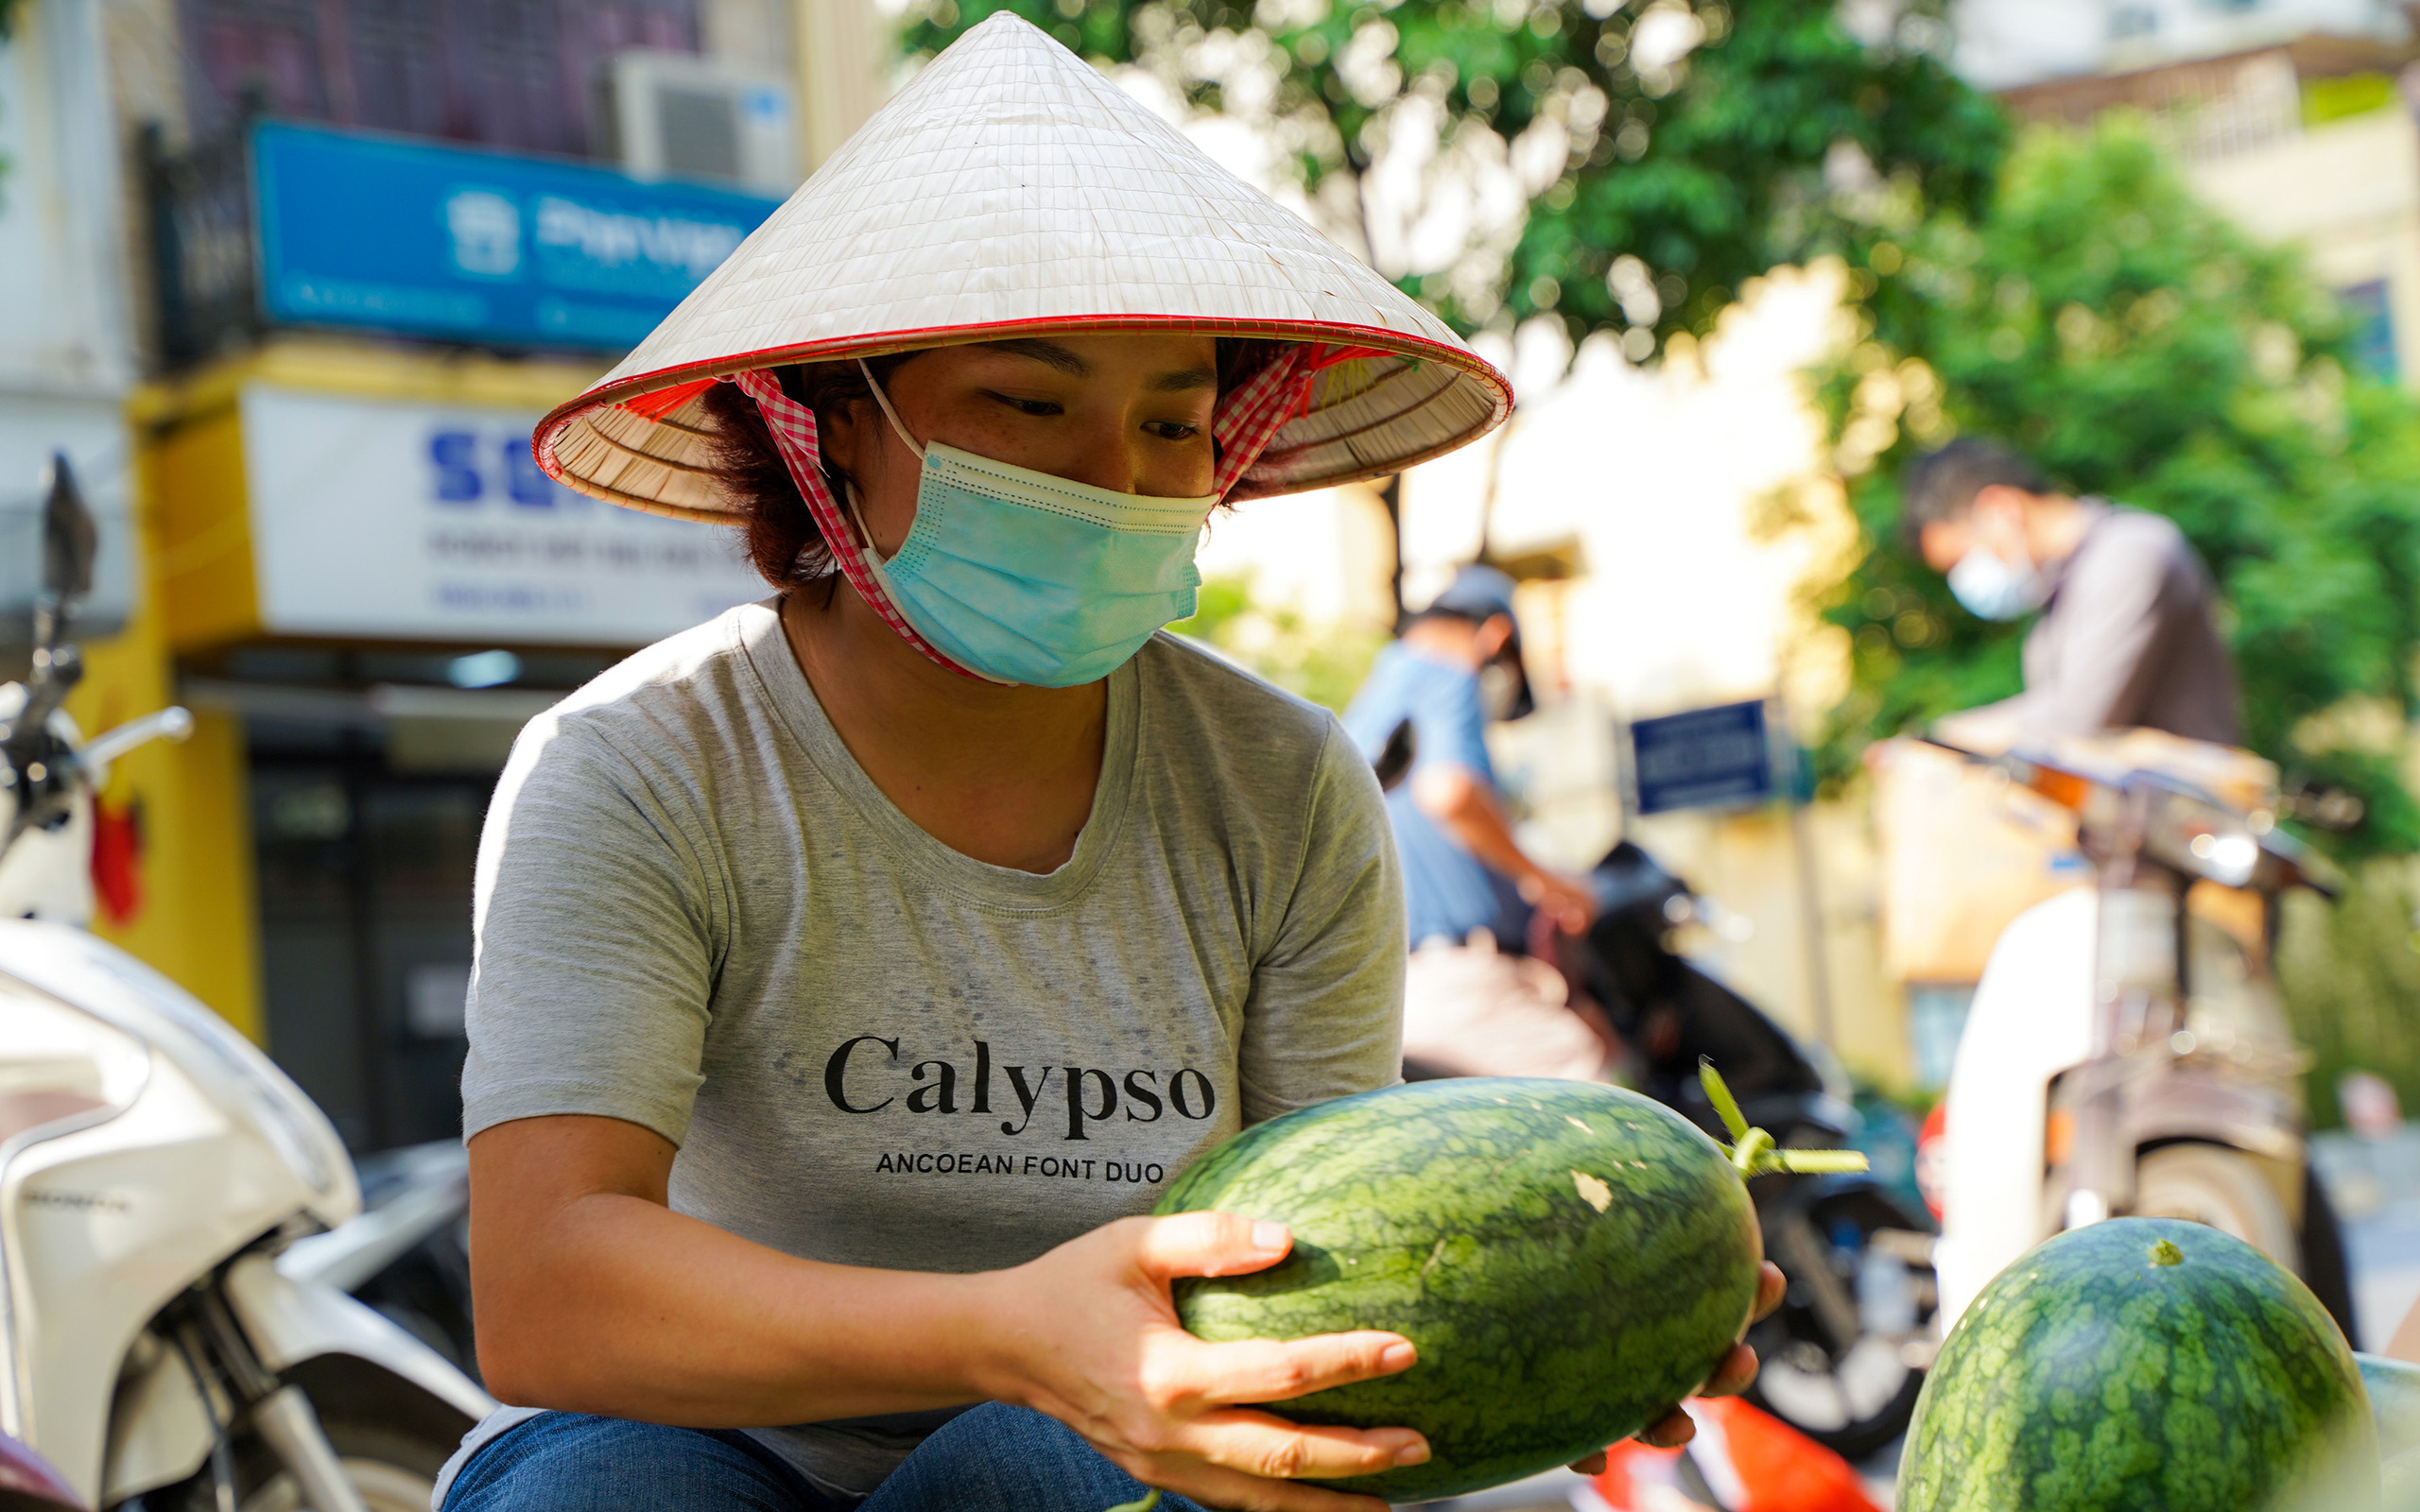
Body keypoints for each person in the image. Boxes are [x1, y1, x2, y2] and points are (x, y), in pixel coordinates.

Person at [442, 16, 1781, 1512]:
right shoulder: (636, 768)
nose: (1118, 478)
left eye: (1173, 421)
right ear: (823, 420)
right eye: (1028, 403)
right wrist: (1010, 1334)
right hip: (701, 1442)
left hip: (1118, 1439)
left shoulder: (1282, 786)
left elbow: (1346, 1244)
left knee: (1083, 1469)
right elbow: (551, 1291)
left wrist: (1546, 1323)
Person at [1341, 566, 1610, 1082]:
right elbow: (1450, 791)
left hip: (1391, 995)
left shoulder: (1376, 693)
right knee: (1615, 1130)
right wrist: (1546, 879)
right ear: (1497, 635)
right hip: (1465, 984)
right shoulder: (1446, 671)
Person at [1901, 437, 2241, 747]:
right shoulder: (2054, 597)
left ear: (2000, 508)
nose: (1966, 581)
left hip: (2192, 810)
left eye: (1962, 560)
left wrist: (1948, 738)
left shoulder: (2130, 552)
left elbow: (2077, 718)